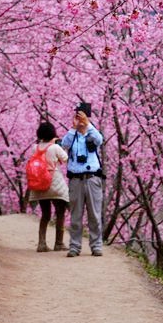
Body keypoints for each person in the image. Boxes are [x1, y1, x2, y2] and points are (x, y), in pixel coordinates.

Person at [60, 101, 104, 257]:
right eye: (77, 115)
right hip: (75, 180)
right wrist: (73, 128)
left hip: (92, 178)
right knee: (75, 216)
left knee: (95, 215)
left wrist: (88, 125)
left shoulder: (93, 133)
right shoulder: (71, 135)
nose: (79, 119)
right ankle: (74, 247)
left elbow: (99, 140)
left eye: (82, 116)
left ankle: (96, 246)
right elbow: (64, 145)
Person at [27, 120, 69, 252]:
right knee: (60, 212)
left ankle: (42, 243)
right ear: (53, 133)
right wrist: (59, 145)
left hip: (40, 184)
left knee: (45, 214)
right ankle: (59, 243)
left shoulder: (35, 147)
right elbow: (65, 158)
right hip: (54, 183)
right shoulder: (55, 147)